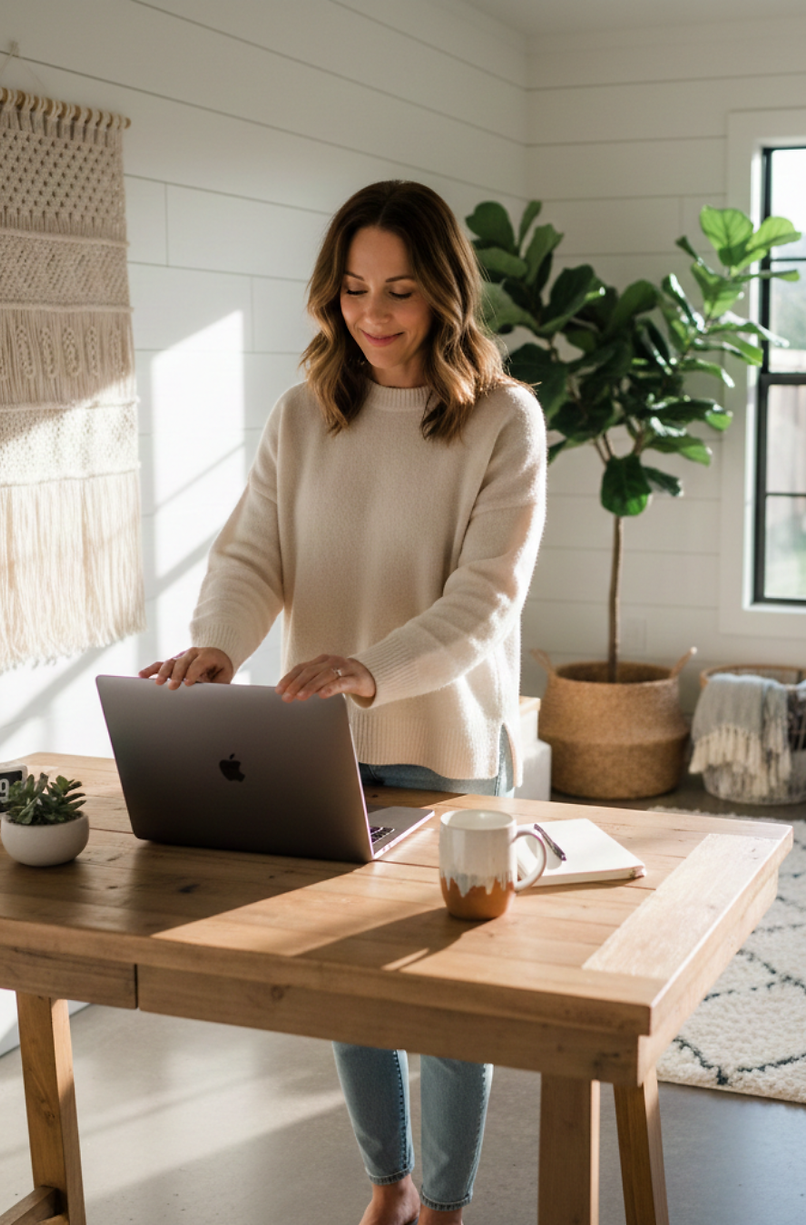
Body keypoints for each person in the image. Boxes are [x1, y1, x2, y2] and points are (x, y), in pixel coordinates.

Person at [140, 180, 546, 1225]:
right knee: (348, 989)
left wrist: (367, 668)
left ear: (444, 294)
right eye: (355, 289)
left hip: (446, 748)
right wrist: (216, 647)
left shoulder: (503, 420)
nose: (373, 314)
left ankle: (447, 1205)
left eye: (400, 291)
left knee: (452, 1008)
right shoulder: (304, 411)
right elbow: (250, 553)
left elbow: (483, 601)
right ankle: (389, 1183)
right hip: (322, 745)